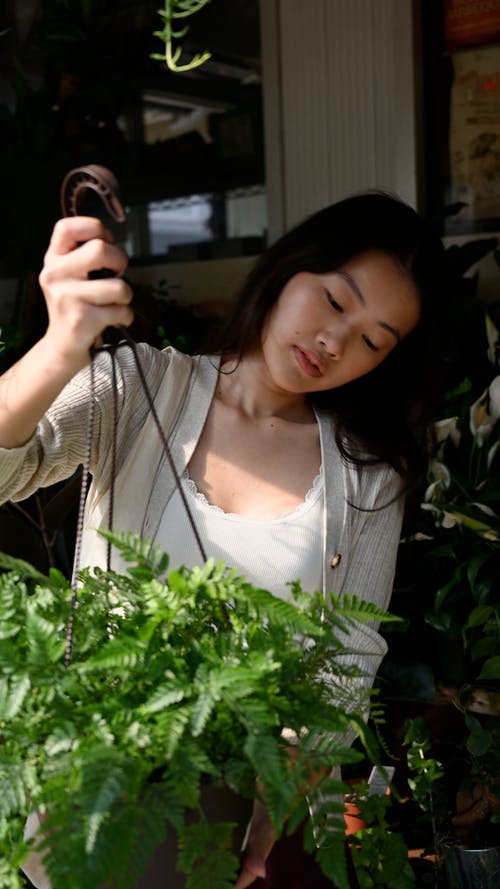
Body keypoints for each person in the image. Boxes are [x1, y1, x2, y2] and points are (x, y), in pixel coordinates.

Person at [0, 191, 447, 888]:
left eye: (371, 339)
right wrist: (61, 346)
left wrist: (283, 783)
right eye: (334, 300)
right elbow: (9, 468)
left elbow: (350, 656)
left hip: (258, 823)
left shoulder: (367, 477)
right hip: (104, 794)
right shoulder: (139, 387)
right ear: (291, 267)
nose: (334, 342)